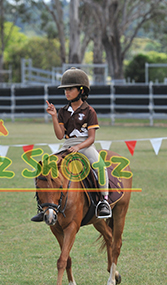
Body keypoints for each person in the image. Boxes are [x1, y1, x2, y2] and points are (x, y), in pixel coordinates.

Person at [31, 67, 111, 221]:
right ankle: (43, 206)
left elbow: (92, 138)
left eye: (70, 89)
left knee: (100, 166)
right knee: (45, 166)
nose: (66, 92)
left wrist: (79, 147)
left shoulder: (90, 111)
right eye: (65, 89)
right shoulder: (62, 111)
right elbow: (60, 135)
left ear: (81, 90)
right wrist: (54, 116)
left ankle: (104, 202)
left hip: (85, 145)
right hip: (67, 145)